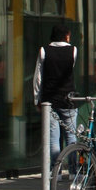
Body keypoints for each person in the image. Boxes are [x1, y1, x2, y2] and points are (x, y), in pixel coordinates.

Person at [34, 23, 78, 167]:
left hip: (50, 100)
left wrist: (37, 99)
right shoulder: (73, 50)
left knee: (53, 138)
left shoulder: (44, 51)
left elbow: (38, 78)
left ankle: (56, 171)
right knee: (71, 137)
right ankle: (73, 172)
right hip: (69, 100)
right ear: (66, 36)